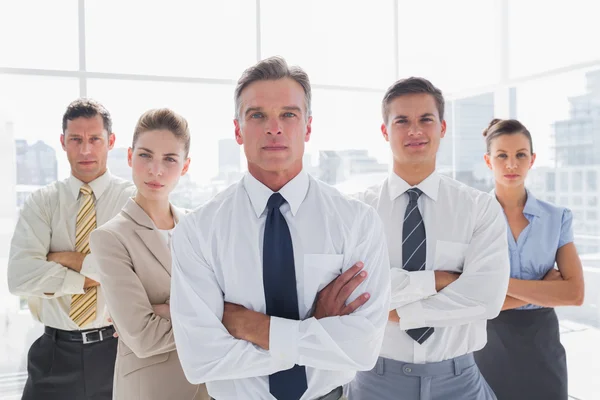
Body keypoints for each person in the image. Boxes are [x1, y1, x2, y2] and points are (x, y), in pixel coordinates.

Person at [169, 56, 391, 400]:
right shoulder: (198, 231)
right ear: (238, 129)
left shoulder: (357, 222)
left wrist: (254, 328)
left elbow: (361, 348)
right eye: (257, 115)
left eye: (289, 114)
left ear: (308, 127)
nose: (274, 128)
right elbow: (202, 359)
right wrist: (314, 331)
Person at [347, 77, 510, 400]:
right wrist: (439, 280)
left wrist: (395, 310)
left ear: (443, 127)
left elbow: (486, 298)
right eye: (402, 121)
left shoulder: (479, 208)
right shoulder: (357, 211)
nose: (415, 130)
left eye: (425, 120)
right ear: (385, 131)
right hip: (375, 380)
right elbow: (353, 294)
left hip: (459, 381)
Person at [7, 98, 135, 400]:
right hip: (53, 356)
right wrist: (94, 276)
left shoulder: (133, 201)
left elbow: (137, 272)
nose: (86, 149)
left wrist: (66, 260)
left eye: (95, 139)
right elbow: (20, 278)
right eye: (76, 139)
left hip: (118, 353)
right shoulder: (42, 203)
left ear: (111, 142)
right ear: (63, 142)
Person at [89, 108, 209, 400]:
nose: (156, 170)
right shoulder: (110, 237)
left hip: (209, 388)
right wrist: (214, 320)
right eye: (145, 155)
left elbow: (235, 299)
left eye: (169, 159)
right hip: (151, 390)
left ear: (185, 165)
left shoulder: (199, 229)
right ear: (130, 157)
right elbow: (142, 337)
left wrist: (169, 310)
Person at [473, 118, 585, 400]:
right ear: (488, 161)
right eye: (502, 156)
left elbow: (574, 293)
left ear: (532, 159)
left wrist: (495, 284)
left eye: (520, 155)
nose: (512, 164)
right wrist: (545, 289)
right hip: (488, 344)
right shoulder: (472, 219)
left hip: (542, 344)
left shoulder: (557, 217)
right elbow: (471, 300)